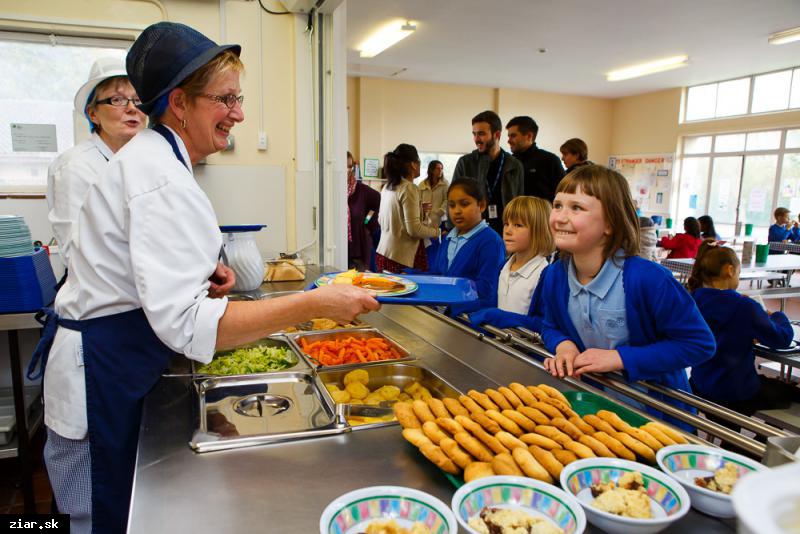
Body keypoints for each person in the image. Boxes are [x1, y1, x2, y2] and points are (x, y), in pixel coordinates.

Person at [34, 22, 379, 534]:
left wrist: (201, 271)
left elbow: (142, 264)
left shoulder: (162, 161)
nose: (238, 113)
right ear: (179, 102)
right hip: (104, 371)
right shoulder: (157, 177)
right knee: (97, 519)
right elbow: (186, 325)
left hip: (119, 358)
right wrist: (315, 303)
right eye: (226, 99)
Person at [540, 165, 715, 430]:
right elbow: (549, 325)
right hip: (595, 414)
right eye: (558, 205)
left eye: (576, 208)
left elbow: (699, 344)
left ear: (610, 222)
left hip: (657, 421)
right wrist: (563, 344)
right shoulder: (554, 276)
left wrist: (622, 358)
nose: (561, 217)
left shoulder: (649, 280)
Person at [47, 57, 146, 269]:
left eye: (138, 100)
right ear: (93, 114)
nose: (132, 108)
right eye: (117, 100)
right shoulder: (74, 167)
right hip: (99, 296)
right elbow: (77, 254)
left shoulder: (143, 161)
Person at [688, 240, 799, 428]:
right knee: (791, 394)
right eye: (739, 273)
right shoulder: (745, 307)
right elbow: (782, 339)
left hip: (700, 386)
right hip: (736, 392)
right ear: (730, 270)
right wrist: (779, 316)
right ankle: (758, 444)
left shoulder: (693, 300)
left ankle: (734, 441)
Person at [468, 196, 553, 330]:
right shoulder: (503, 267)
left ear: (539, 231)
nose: (508, 231)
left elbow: (545, 324)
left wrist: (503, 318)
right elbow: (493, 303)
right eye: (506, 223)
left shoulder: (545, 275)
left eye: (518, 225)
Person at [431, 177, 505, 315]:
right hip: (444, 316)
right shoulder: (448, 238)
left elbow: (487, 289)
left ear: (481, 205)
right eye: (452, 205)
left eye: (464, 204)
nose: (457, 211)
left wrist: (452, 302)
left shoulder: (491, 241)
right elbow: (437, 275)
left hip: (468, 320)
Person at [453, 110, 523, 235]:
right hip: (473, 231)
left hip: (506, 231)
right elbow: (453, 200)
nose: (476, 139)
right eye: (474, 134)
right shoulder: (465, 163)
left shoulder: (514, 165)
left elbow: (520, 202)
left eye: (481, 134)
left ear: (497, 134)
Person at [376, 143, 440, 273]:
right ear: (413, 164)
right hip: (400, 258)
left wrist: (419, 210)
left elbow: (384, 219)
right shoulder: (409, 188)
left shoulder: (388, 187)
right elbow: (414, 230)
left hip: (384, 252)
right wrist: (436, 232)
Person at [506, 116, 564, 202]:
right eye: (509, 136)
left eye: (513, 136)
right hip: (513, 214)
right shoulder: (509, 162)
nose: (509, 140)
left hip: (543, 214)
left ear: (529, 136)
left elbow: (563, 193)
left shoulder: (550, 160)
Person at [346, 151, 380, 271]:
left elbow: (376, 203)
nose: (347, 170)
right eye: (344, 166)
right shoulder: (332, 191)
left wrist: (366, 221)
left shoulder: (362, 190)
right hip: (337, 252)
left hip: (357, 253)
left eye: (350, 166)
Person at [418, 159, 449, 266]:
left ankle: (434, 268)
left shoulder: (445, 184)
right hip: (424, 221)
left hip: (438, 221)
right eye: (437, 168)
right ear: (431, 170)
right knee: (425, 248)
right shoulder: (422, 184)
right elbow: (417, 200)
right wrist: (421, 209)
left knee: (436, 248)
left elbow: (447, 200)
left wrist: (440, 211)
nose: (440, 171)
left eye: (441, 168)